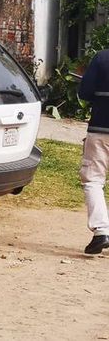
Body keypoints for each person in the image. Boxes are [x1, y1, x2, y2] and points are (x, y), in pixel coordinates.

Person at [78, 49, 109, 254]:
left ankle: (101, 231)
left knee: (93, 180)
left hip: (101, 128)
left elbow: (84, 93)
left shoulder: (102, 58)